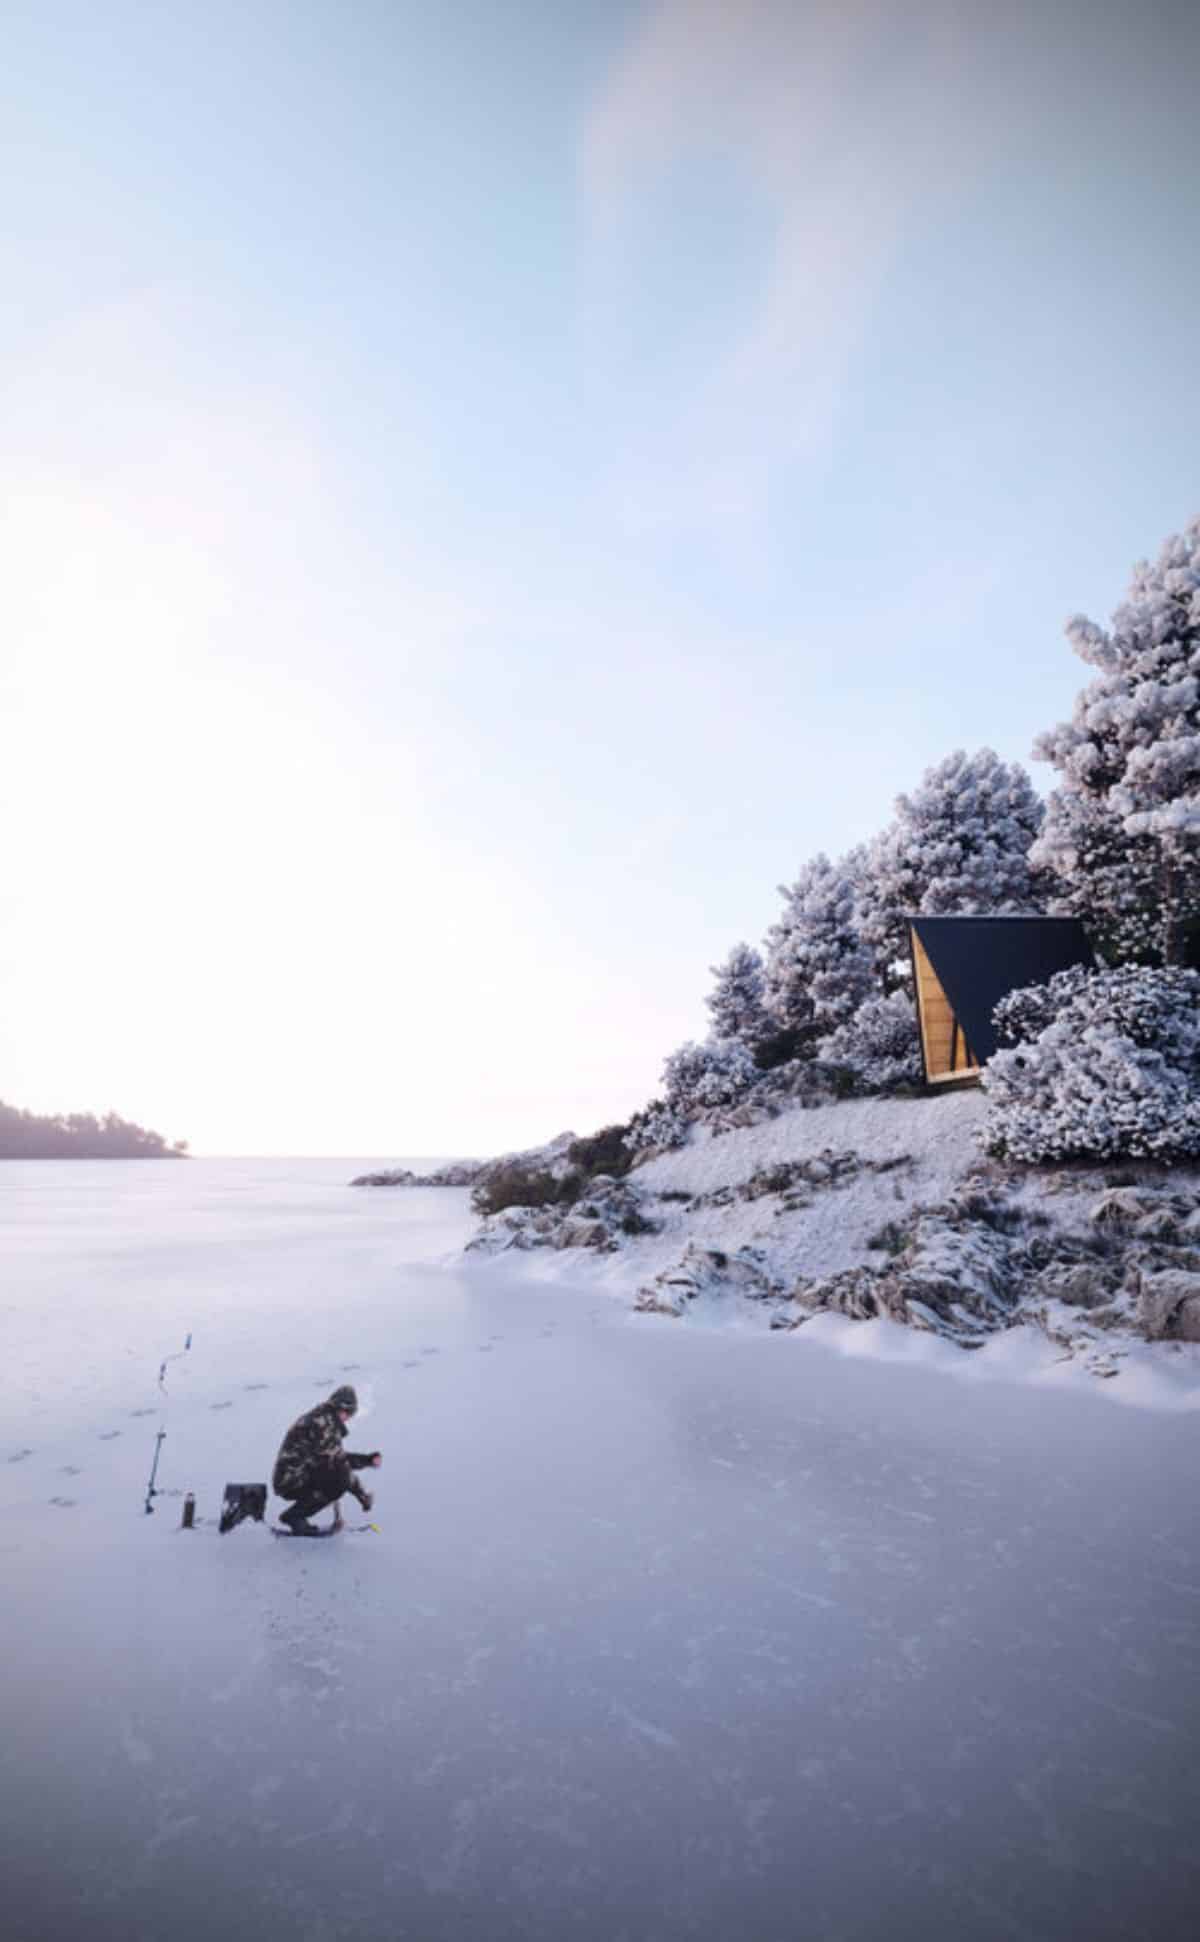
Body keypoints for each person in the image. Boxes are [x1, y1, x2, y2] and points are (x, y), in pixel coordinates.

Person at [272, 1384, 381, 1534]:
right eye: (349, 1413)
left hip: (295, 1475)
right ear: (342, 1409)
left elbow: (336, 1458)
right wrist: (363, 1496)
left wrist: (367, 1460)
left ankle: (296, 1516)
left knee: (335, 1475)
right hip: (291, 1479)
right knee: (338, 1483)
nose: (348, 1418)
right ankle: (294, 1517)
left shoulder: (323, 1418)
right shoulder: (323, 1425)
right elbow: (340, 1463)